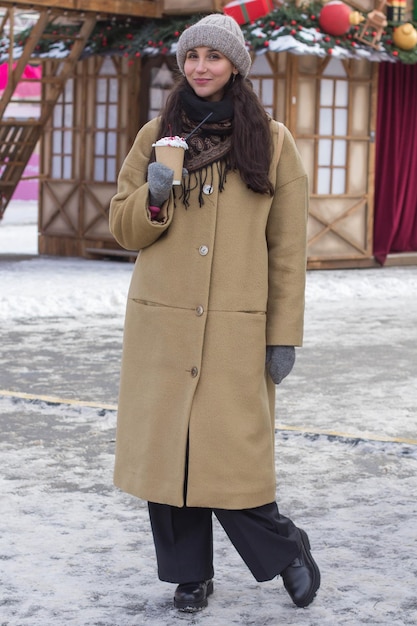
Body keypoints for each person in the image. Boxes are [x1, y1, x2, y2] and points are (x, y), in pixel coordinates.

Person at [109, 13, 320, 613]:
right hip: (164, 326)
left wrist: (284, 335)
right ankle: (190, 575)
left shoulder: (272, 142)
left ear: (235, 64)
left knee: (232, 456)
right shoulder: (156, 135)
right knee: (169, 458)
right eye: (192, 55)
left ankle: (286, 551)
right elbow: (124, 229)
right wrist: (154, 194)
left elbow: (287, 250)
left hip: (236, 326)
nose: (201, 66)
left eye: (213, 56)